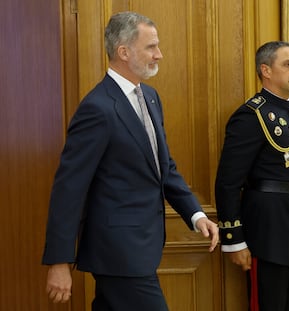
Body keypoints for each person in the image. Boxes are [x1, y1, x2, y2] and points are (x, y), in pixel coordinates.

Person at [42, 11, 219, 311]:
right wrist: (59, 260)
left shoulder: (150, 97)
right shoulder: (97, 108)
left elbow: (164, 168)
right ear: (123, 51)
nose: (159, 55)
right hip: (118, 252)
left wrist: (196, 214)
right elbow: (69, 188)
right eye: (151, 47)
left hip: (141, 248)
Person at [215, 41, 289, 311]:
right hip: (270, 234)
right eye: (288, 64)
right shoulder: (251, 116)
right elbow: (228, 182)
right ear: (266, 70)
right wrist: (233, 240)